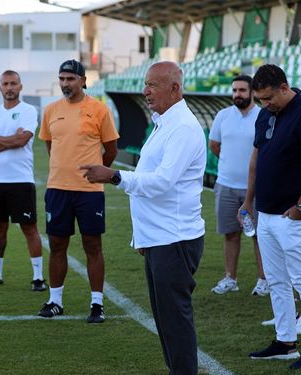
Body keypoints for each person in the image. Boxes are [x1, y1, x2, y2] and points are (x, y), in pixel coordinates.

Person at [80, 61, 206, 374]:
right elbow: (151, 177)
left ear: (174, 88)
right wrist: (144, 237)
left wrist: (113, 176)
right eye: (145, 84)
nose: (145, 91)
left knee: (175, 321)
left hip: (174, 240)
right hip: (161, 239)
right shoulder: (166, 123)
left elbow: (162, 182)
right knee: (166, 320)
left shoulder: (184, 128)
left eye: (152, 85)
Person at [243, 65, 301, 369]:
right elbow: (257, 159)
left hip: (295, 217)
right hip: (265, 214)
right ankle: (286, 342)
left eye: (268, 98)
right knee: (277, 281)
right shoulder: (266, 113)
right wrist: (249, 200)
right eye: (260, 99)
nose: (265, 104)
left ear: (284, 87)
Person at [37, 59, 119, 324]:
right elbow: (50, 146)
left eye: (70, 78)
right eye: (61, 78)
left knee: (92, 246)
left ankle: (97, 304)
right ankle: (55, 301)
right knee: (57, 245)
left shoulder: (99, 110)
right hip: (58, 188)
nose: (65, 83)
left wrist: (98, 173)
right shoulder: (50, 110)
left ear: (83, 80)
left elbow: (112, 149)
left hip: (89, 191)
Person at [0, 70, 46, 292]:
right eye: (5, 84)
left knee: (29, 228)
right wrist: (9, 140)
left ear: (20, 87)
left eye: (13, 83)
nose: (9, 87)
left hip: (21, 180)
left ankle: (38, 277)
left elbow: (22, 140)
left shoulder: (28, 111)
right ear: (0, 88)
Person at [208, 75, 267, 296]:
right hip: (225, 185)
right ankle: (230, 278)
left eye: (242, 90)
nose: (237, 94)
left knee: (260, 236)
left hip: (256, 188)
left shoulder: (263, 116)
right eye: (234, 90)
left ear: (252, 92)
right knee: (230, 234)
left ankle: (264, 280)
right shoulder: (223, 116)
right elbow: (214, 145)